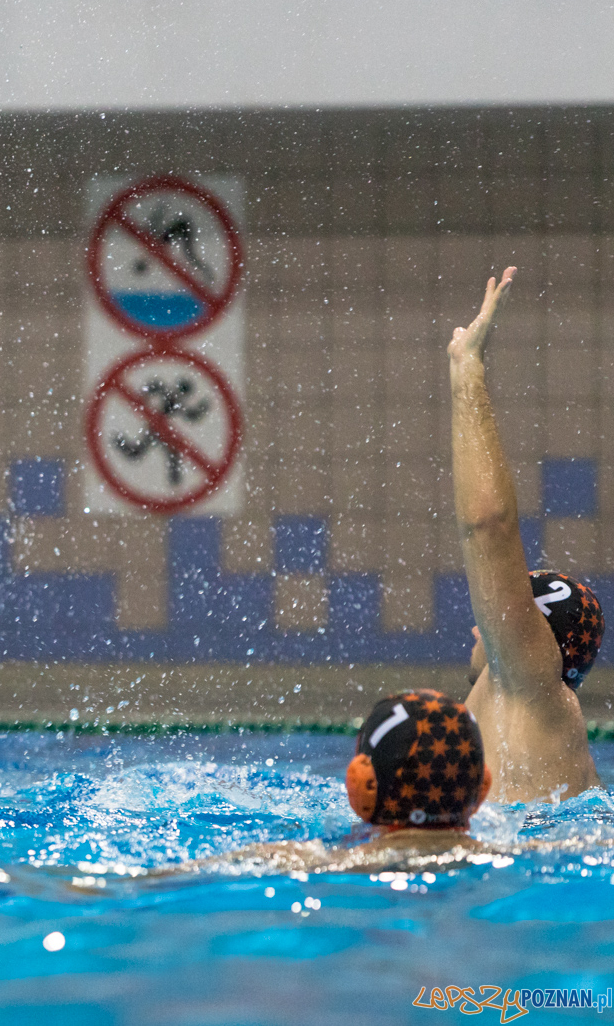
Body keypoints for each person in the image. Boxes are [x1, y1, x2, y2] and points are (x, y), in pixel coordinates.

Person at [448, 267, 604, 803]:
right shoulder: (514, 706)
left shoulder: (529, 683)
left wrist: (467, 373)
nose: (480, 625)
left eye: (502, 617)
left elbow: (488, 526)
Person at [153, 689, 493, 876]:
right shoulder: (517, 854)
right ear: (481, 790)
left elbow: (153, 881)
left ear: (362, 785)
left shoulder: (313, 862)